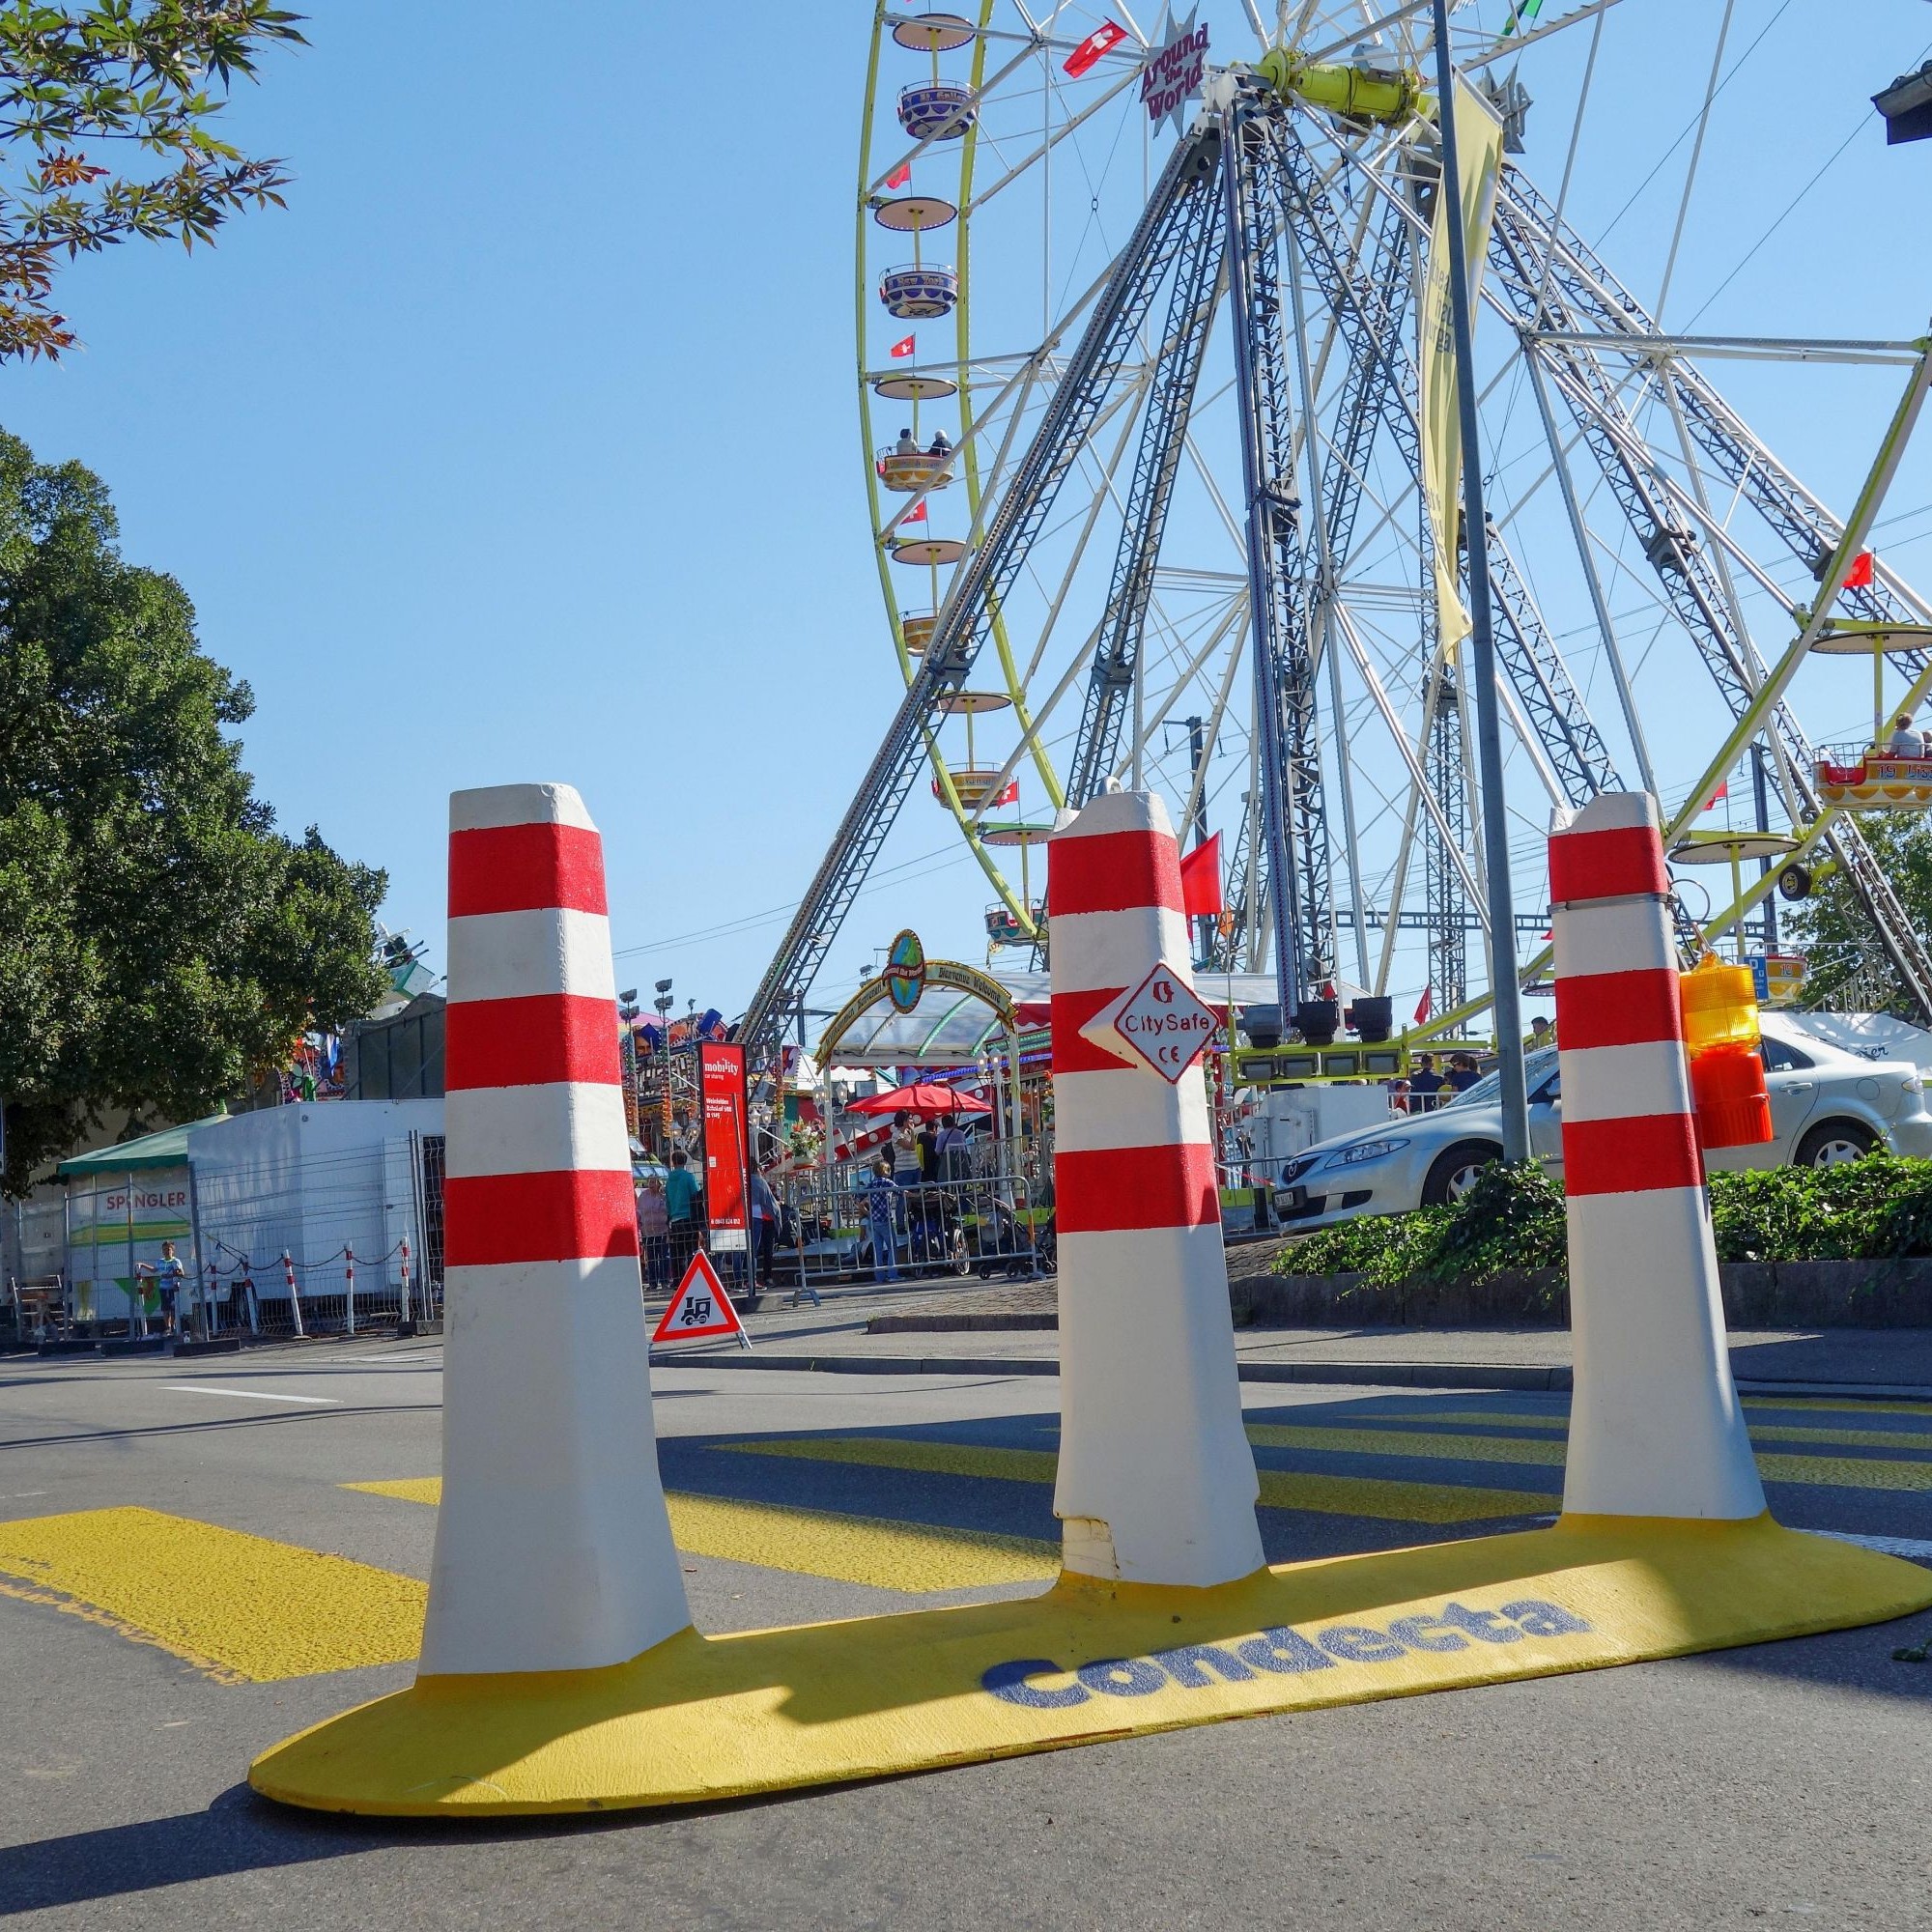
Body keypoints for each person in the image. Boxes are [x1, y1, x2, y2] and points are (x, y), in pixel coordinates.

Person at [664, 1150, 701, 1282]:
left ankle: (678, 1280)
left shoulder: (669, 1181)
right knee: (691, 1250)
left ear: (673, 1163)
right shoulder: (689, 1177)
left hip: (675, 1219)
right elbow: (696, 1194)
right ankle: (692, 1279)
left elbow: (667, 1201)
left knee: (677, 1253)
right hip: (688, 1218)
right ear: (685, 1162)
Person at [865, 1158, 901, 1283]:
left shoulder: (871, 1183)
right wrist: (915, 1194)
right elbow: (900, 1191)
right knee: (892, 1246)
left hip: (873, 1221)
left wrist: (868, 1213)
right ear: (884, 1171)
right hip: (885, 1219)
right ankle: (893, 1274)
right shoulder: (887, 1182)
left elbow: (859, 1197)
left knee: (878, 1249)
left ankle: (879, 1276)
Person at [637, 1175, 670, 1293]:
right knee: (651, 1258)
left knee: (663, 1257)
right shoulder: (643, 1196)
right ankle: (653, 1283)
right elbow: (638, 1212)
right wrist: (639, 1225)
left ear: (659, 1184)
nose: (651, 1184)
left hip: (662, 1232)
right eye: (650, 1182)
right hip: (648, 1232)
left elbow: (668, 1210)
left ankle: (664, 1281)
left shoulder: (664, 1196)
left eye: (654, 1182)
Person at [748, 1166, 779, 1290]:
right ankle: (765, 1277)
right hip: (764, 1219)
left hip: (762, 1219)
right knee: (763, 1250)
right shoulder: (761, 1182)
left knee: (755, 1250)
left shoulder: (758, 1182)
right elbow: (770, 1202)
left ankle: (756, 1278)